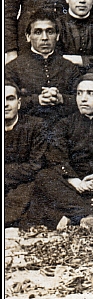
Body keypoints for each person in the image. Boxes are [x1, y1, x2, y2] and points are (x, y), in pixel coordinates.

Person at [22, 73, 93, 230]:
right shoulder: (64, 124)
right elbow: (57, 158)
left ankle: (73, 217)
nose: (83, 99)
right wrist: (75, 181)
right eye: (79, 93)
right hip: (71, 184)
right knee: (45, 176)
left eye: (91, 93)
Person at [8, 11, 80, 125]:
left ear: (57, 36)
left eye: (50, 32)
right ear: (28, 36)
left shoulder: (70, 67)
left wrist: (61, 99)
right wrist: (38, 100)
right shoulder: (13, 68)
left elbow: (81, 100)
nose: (45, 38)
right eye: (38, 32)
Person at [4, 81, 51, 228]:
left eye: (9, 99)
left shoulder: (36, 126)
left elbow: (36, 166)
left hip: (25, 184)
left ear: (18, 103)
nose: (5, 104)